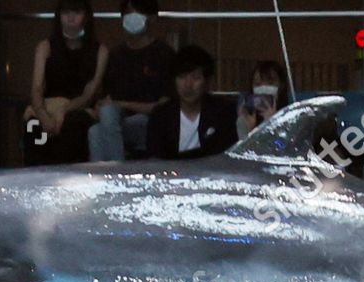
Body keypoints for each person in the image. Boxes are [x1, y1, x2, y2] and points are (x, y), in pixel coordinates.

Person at [24, 0, 108, 165]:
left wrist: (63, 111)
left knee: (72, 127)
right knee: (33, 126)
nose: (70, 18)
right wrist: (43, 116)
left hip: (80, 109)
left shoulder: (99, 50)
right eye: (65, 13)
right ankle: (36, 178)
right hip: (47, 107)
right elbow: (36, 88)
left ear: (85, 16)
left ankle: (66, 180)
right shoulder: (45, 46)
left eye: (76, 13)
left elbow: (89, 94)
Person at [88, 0, 173, 161]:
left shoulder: (164, 54)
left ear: (152, 18)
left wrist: (123, 105)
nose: (132, 18)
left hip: (151, 123)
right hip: (118, 122)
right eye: (128, 14)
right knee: (96, 129)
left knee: (99, 130)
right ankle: (110, 177)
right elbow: (108, 99)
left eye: (138, 14)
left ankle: (116, 175)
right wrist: (101, 106)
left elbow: (164, 107)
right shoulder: (115, 55)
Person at [146, 45, 238, 160]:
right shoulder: (161, 115)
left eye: (196, 78)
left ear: (207, 81)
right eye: (182, 77)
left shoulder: (223, 112)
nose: (188, 85)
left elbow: (226, 155)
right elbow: (154, 157)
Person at [236, 59, 292, 139]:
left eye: (270, 83)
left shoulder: (290, 116)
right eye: (257, 84)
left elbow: (282, 147)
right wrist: (249, 130)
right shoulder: (246, 117)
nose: (263, 88)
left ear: (281, 86)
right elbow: (245, 150)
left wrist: (271, 124)